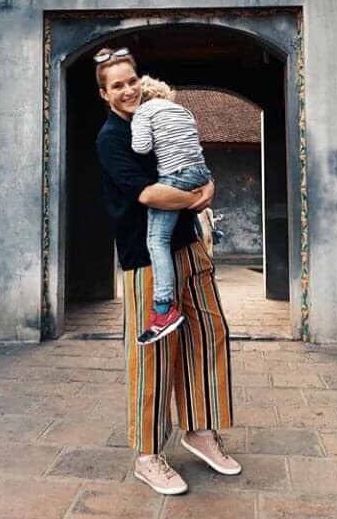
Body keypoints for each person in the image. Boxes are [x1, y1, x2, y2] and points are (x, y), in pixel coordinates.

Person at [94, 46, 240, 496]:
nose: (128, 90)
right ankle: (146, 454)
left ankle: (200, 430)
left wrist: (208, 181)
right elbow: (148, 194)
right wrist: (199, 196)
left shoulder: (158, 113)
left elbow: (189, 157)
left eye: (131, 81)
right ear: (104, 94)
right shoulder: (112, 139)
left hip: (188, 246)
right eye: (117, 86)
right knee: (154, 354)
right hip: (146, 257)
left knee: (208, 333)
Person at [131, 75, 211, 345]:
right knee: (186, 218)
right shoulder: (183, 111)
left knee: (157, 241)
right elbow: (194, 146)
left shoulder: (143, 112)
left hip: (175, 175)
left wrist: (140, 130)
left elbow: (141, 147)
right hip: (200, 173)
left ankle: (164, 308)